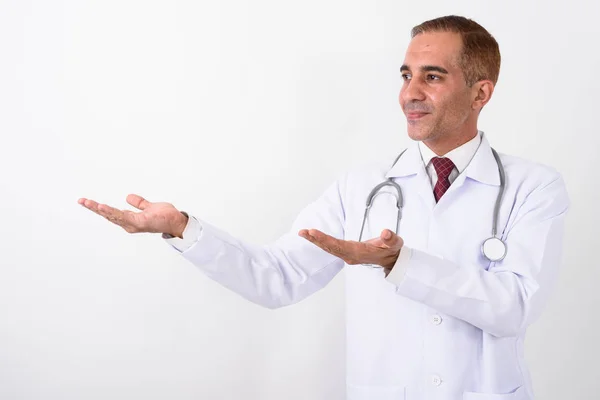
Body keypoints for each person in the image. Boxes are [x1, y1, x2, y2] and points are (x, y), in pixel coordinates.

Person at [78, 15, 569, 400]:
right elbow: (275, 277)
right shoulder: (361, 188)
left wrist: (400, 263)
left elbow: (514, 309)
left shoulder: (533, 188)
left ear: (481, 91)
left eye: (432, 76)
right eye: (405, 75)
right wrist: (184, 228)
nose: (409, 94)